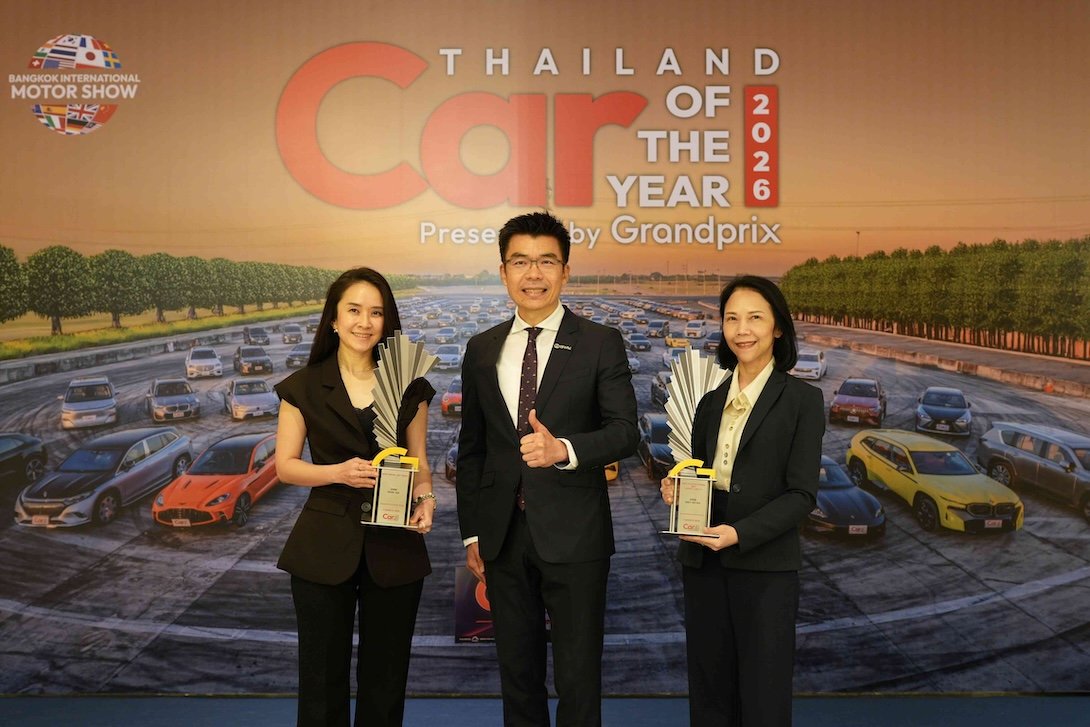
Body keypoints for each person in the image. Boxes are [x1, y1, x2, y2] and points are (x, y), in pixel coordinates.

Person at [456, 211, 638, 726]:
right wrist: (473, 532)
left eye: (546, 262)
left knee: (578, 680)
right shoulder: (481, 348)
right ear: (503, 272)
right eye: (520, 262)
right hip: (502, 537)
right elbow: (472, 449)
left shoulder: (600, 341)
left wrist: (565, 450)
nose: (532, 274)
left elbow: (626, 431)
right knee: (518, 678)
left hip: (575, 536)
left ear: (565, 271)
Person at [274, 267, 437, 727]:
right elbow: (285, 466)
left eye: (376, 313)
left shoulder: (410, 385)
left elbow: (420, 463)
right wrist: (338, 473)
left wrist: (427, 499)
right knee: (321, 684)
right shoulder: (303, 386)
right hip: (323, 547)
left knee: (385, 682)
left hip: (396, 545)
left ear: (387, 321)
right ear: (333, 319)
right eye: (354, 310)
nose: (365, 322)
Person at [660, 275, 824, 727]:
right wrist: (678, 489)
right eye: (731, 319)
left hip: (765, 568)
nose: (742, 329)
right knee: (710, 695)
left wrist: (739, 533)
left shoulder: (802, 401)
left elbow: (802, 495)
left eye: (755, 318)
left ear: (778, 327)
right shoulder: (709, 403)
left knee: (763, 697)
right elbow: (700, 472)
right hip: (704, 566)